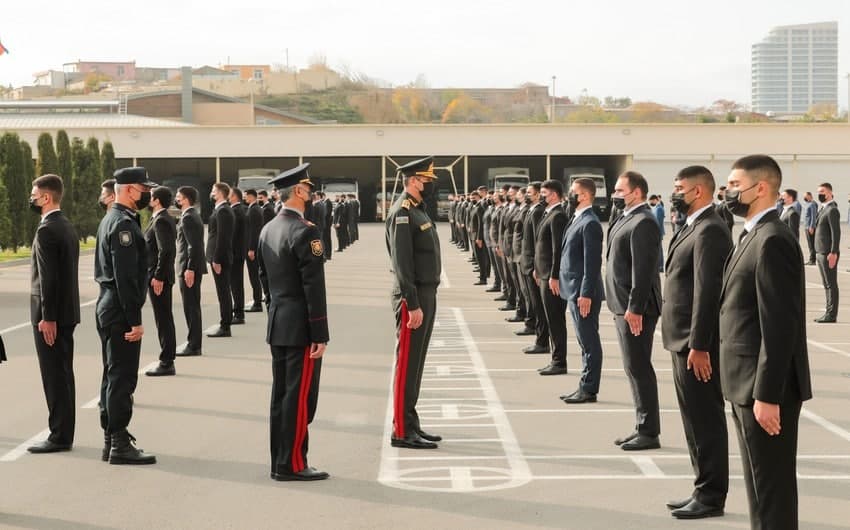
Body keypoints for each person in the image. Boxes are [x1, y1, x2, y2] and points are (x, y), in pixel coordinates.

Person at [719, 155, 812, 530]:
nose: (728, 193)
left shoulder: (772, 239)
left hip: (763, 390)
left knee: (771, 490)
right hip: (744, 383)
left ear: (760, 188)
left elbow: (779, 326)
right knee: (759, 487)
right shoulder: (752, 234)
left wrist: (768, 394)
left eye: (733, 185)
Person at [661, 166, 731, 519]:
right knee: (692, 419)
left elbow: (708, 293)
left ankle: (711, 494)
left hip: (695, 343)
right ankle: (701, 486)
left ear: (699, 191)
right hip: (680, 339)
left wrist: (700, 345)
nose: (675, 192)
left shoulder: (711, 230)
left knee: (705, 419)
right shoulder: (692, 225)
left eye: (679, 188)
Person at [258, 163, 330, 481]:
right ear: (298, 191)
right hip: (301, 326)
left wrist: (275, 310)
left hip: (278, 322)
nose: (311, 193)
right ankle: (294, 464)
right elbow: (313, 286)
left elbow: (263, 278)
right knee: (300, 398)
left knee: (282, 396)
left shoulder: (268, 228)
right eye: (308, 188)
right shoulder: (305, 230)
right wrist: (320, 332)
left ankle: (280, 460)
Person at [94, 166, 157, 465]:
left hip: (108, 305)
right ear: (130, 189)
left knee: (111, 374)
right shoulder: (123, 225)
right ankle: (119, 441)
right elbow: (125, 277)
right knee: (122, 377)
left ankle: (110, 439)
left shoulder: (113, 218)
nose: (147, 194)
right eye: (144, 189)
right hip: (119, 309)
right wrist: (135, 319)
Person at [385, 156, 442, 449]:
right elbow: (402, 263)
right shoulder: (403, 212)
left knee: (416, 363)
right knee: (407, 363)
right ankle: (402, 430)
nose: (431, 183)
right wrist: (413, 302)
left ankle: (411, 421)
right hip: (414, 296)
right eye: (427, 179)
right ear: (414, 181)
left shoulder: (418, 210)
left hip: (425, 293)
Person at [606, 170, 663, 451]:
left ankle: (649, 431)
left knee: (639, 367)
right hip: (622, 305)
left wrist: (635, 307)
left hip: (635, 309)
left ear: (637, 192)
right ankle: (641, 425)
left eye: (620, 190)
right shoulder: (626, 218)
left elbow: (644, 271)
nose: (615, 195)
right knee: (632, 367)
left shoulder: (644, 222)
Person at [27, 174, 81, 454]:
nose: (32, 199)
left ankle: (59, 435)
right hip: (66, 313)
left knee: (54, 374)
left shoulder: (47, 230)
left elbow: (48, 278)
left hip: (52, 316)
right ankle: (64, 431)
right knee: (63, 372)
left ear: (46, 197)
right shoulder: (66, 226)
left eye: (34, 194)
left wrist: (47, 317)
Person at [558, 178, 604, 403]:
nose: (569, 195)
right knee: (583, 341)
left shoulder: (590, 223)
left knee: (589, 342)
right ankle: (584, 385)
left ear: (585, 196)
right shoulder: (577, 218)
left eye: (573, 192)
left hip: (582, 293)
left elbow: (591, 264)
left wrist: (585, 293)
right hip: (573, 290)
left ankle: (588, 389)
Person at [534, 180, 568, 376]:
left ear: (554, 195)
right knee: (550, 317)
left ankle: (559, 361)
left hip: (551, 277)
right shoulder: (549, 214)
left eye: (544, 194)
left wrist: (555, 276)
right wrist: (538, 269)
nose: (541, 197)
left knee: (555, 320)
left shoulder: (558, 216)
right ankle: (555, 358)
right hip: (543, 273)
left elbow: (557, 250)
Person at [144, 186, 178, 377]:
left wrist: (158, 276)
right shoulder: (159, 218)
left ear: (156, 200)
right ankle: (167, 358)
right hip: (159, 276)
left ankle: (167, 361)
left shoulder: (162, 221)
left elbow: (166, 251)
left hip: (159, 278)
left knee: (163, 318)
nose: (148, 199)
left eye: (150, 196)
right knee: (163, 318)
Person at [174, 186, 207, 357]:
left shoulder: (188, 217)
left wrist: (190, 268)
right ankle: (193, 342)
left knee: (191, 307)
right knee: (192, 306)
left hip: (188, 269)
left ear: (186, 198)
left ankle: (194, 345)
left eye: (178, 196)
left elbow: (193, 246)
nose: (176, 199)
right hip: (189, 267)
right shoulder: (191, 215)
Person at [520, 182, 549, 351]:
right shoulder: (532, 210)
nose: (526, 195)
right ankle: (539, 337)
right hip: (527, 263)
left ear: (538, 195)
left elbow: (538, 242)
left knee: (539, 305)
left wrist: (534, 267)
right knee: (534, 303)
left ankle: (542, 341)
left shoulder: (538, 212)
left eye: (530, 193)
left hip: (532, 265)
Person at [206, 183, 235, 337]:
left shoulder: (223, 211)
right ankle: (225, 322)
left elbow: (222, 237)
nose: (211, 193)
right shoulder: (220, 209)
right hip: (218, 257)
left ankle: (225, 325)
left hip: (220, 258)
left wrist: (216, 259)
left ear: (220, 193)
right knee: (222, 291)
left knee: (223, 292)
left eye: (213, 191)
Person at [813, 182, 841, 323]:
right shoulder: (823, 209)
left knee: (831, 284)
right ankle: (828, 312)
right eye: (819, 191)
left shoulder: (832, 210)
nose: (820, 194)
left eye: (822, 191)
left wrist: (834, 252)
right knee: (826, 284)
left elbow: (836, 233)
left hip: (828, 253)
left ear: (830, 193)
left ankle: (831, 314)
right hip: (820, 252)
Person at [229, 187, 248, 325]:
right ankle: (238, 311)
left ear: (235, 196)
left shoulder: (236, 211)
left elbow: (232, 235)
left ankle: (238, 313)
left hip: (235, 253)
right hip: (239, 251)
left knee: (236, 284)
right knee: (236, 283)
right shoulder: (240, 209)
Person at [244, 189, 265, 311]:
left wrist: (251, 248)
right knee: (254, 275)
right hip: (253, 246)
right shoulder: (254, 209)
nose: (245, 198)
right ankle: (256, 300)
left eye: (246, 196)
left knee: (254, 275)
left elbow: (254, 231)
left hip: (253, 248)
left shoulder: (254, 210)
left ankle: (257, 303)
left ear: (252, 197)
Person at [803, 192, 818, 265]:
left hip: (810, 227)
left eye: (805, 196)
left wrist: (811, 226)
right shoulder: (808, 203)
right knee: (810, 244)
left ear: (810, 196)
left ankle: (812, 260)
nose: (804, 198)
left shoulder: (812, 204)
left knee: (811, 244)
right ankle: (812, 259)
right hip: (807, 226)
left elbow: (813, 216)